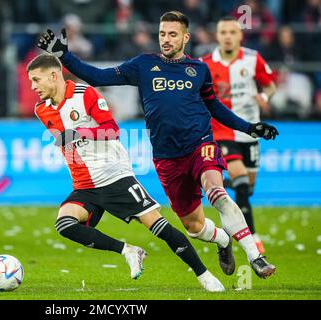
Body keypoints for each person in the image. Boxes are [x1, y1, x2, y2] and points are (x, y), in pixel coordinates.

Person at [37, 11, 278, 279]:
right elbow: (99, 77)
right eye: (162, 33)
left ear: (185, 37)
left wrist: (248, 127)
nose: (166, 39)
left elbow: (214, 107)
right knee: (194, 227)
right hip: (167, 158)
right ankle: (223, 240)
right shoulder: (143, 65)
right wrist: (65, 56)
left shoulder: (199, 70)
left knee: (216, 191)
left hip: (201, 144)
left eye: (172, 34)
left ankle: (256, 256)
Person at [27, 53, 225, 292]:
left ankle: (205, 276)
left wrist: (79, 133)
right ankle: (129, 251)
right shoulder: (41, 110)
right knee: (65, 224)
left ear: (53, 75)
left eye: (36, 80)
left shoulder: (84, 94)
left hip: (115, 176)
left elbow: (112, 131)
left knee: (158, 227)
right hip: (84, 184)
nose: (33, 87)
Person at [201, 17, 277, 254]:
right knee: (242, 181)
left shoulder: (253, 59)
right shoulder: (205, 64)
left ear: (240, 35)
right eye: (223, 31)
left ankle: (213, 182)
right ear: (217, 35)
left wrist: (264, 98)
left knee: (247, 187)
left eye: (232, 32)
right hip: (222, 131)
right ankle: (253, 238)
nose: (227, 36)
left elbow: (270, 84)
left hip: (249, 131)